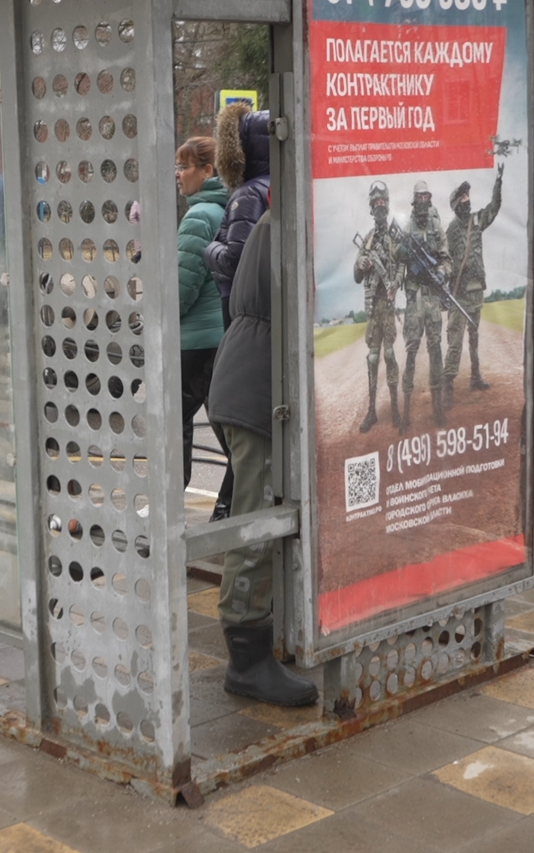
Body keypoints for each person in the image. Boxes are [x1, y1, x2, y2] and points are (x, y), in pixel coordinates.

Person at [206, 209, 319, 707]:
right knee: (255, 524)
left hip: (251, 376)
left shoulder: (278, 216)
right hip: (259, 389)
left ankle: (267, 634)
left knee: (267, 516)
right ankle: (246, 660)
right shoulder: (290, 221)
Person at [173, 136, 232, 519]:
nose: (178, 175)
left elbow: (181, 288)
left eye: (185, 166)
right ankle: (226, 512)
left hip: (192, 343)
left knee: (171, 430)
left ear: (208, 171)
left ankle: (167, 512)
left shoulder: (199, 215)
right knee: (232, 438)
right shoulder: (231, 209)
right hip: (222, 340)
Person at [203, 101, 272, 320]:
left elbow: (235, 259)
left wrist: (210, 251)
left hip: (242, 303)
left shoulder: (248, 194)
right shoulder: (285, 186)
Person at [443, 167, 504, 412]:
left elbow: (494, 207)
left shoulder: (477, 221)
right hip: (459, 294)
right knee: (455, 340)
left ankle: (475, 377)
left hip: (477, 291)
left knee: (474, 338)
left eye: (468, 197)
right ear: (456, 203)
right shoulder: (450, 230)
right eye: (463, 198)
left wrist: (498, 183)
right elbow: (445, 260)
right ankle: (448, 384)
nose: (467, 201)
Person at [353, 182, 403, 433]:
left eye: (383, 202)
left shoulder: (396, 237)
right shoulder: (368, 241)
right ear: (372, 209)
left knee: (390, 355)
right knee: (372, 358)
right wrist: (362, 262)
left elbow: (402, 265)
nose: (380, 206)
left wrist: (395, 283)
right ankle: (372, 411)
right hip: (373, 307)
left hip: (388, 305)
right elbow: (356, 274)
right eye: (376, 203)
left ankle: (395, 409)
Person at [399, 180, 448, 428]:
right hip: (415, 296)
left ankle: (438, 408)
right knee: (410, 351)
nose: (423, 201)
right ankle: (406, 411)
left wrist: (442, 272)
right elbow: (398, 257)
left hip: (432, 297)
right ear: (414, 200)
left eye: (426, 197)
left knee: (436, 348)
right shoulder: (407, 227)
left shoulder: (437, 227)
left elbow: (445, 258)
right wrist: (403, 251)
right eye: (419, 197)